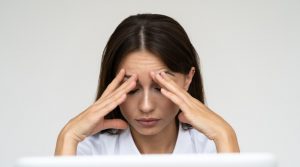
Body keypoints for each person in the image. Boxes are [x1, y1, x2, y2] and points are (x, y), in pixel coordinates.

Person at [55, 13, 240, 156]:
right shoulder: (89, 152)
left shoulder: (213, 148)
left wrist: (225, 134)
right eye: (132, 89)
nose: (146, 106)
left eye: (160, 88)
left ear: (188, 78)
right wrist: (68, 136)